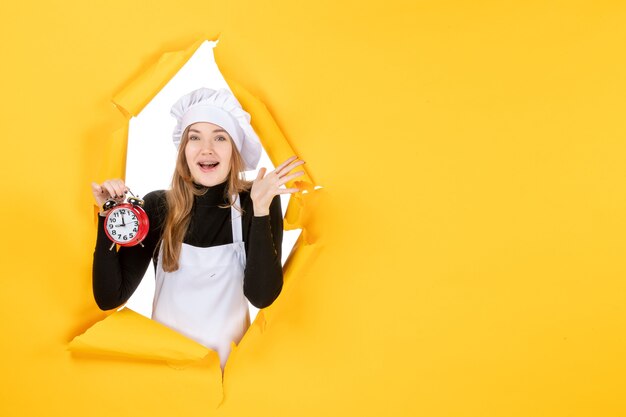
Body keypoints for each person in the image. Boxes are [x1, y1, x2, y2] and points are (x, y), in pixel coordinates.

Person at [91, 87, 305, 369]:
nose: (207, 149)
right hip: (167, 377)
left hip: (228, 382)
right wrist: (109, 215)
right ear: (184, 150)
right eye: (195, 138)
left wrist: (262, 210)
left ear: (234, 150)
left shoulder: (255, 202)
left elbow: (262, 296)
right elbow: (109, 297)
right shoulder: (158, 206)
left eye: (220, 137)